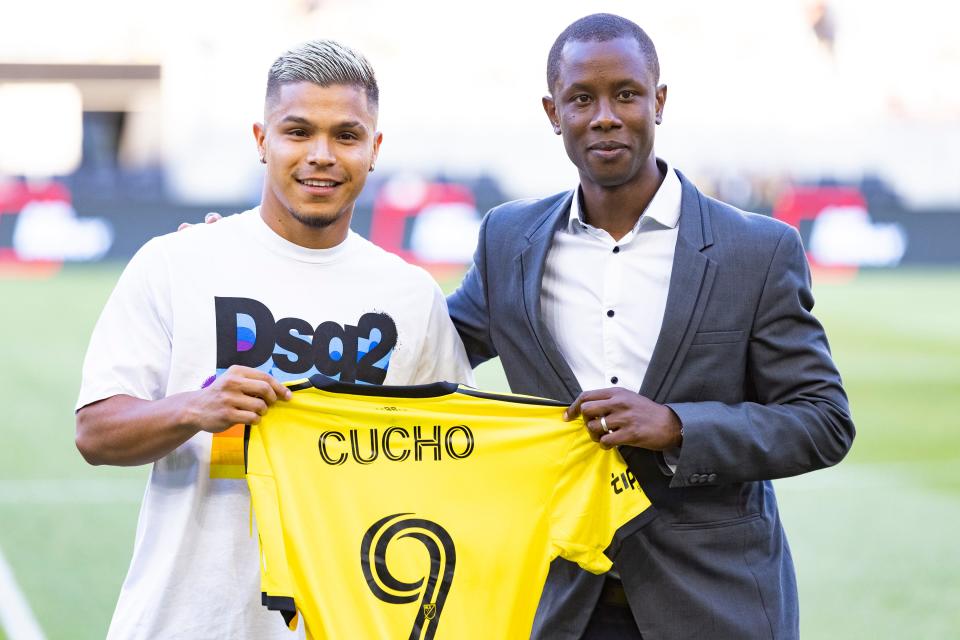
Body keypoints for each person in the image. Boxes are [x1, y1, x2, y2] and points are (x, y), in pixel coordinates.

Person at [447, 13, 855, 640]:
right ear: (554, 112)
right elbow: (420, 346)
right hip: (560, 600)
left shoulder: (757, 250)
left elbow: (823, 421)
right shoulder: (508, 241)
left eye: (626, 94)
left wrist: (677, 427)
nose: (605, 115)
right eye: (582, 98)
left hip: (715, 603)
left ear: (658, 102)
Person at [75, 40, 471, 640]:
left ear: (374, 149)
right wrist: (195, 407)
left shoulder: (411, 296)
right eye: (297, 131)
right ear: (262, 140)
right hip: (188, 622)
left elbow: (448, 468)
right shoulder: (175, 263)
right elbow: (96, 433)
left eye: (346, 135)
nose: (321, 156)